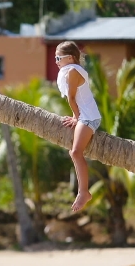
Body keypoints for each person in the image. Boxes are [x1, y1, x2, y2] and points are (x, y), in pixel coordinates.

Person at [55, 41, 102, 212]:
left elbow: (72, 98)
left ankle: (83, 192)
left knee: (75, 152)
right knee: (74, 152)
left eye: (59, 57)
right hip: (85, 117)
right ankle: (83, 192)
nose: (56, 61)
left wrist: (76, 118)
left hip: (88, 118)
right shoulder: (71, 71)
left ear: (71, 57)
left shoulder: (73, 71)